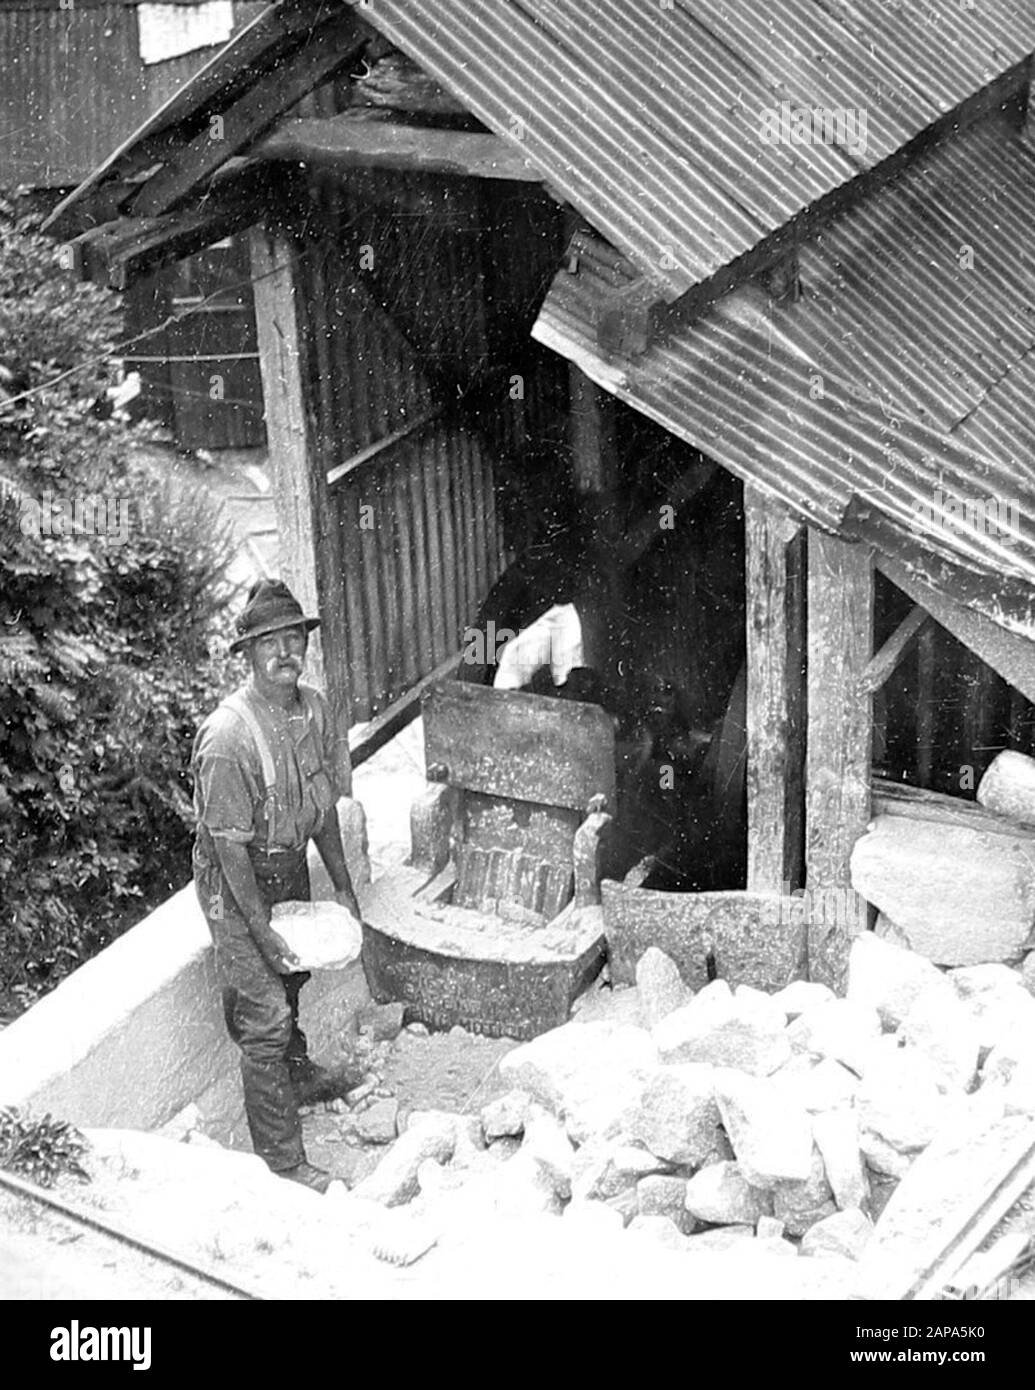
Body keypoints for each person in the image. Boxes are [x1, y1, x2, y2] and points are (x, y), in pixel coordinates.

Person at [191, 579, 362, 1193]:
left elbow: (322, 811)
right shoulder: (227, 737)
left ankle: (300, 1074)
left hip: (285, 864)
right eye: (271, 642)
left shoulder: (314, 709)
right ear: (248, 654)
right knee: (263, 1014)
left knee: (292, 978)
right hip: (233, 884)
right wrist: (259, 929)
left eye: (295, 639)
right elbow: (226, 847)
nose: (286, 652)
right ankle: (283, 1164)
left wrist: (342, 888)